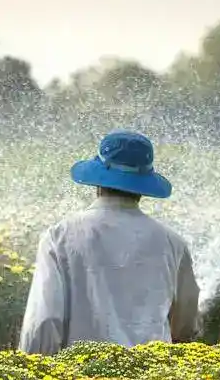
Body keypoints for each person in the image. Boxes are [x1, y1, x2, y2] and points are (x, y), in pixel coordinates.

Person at [17, 129, 200, 355]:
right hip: (153, 373)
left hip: (77, 372)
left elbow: (43, 323)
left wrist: (32, 369)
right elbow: (185, 325)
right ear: (144, 185)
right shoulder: (173, 244)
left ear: (98, 182)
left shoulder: (60, 237)